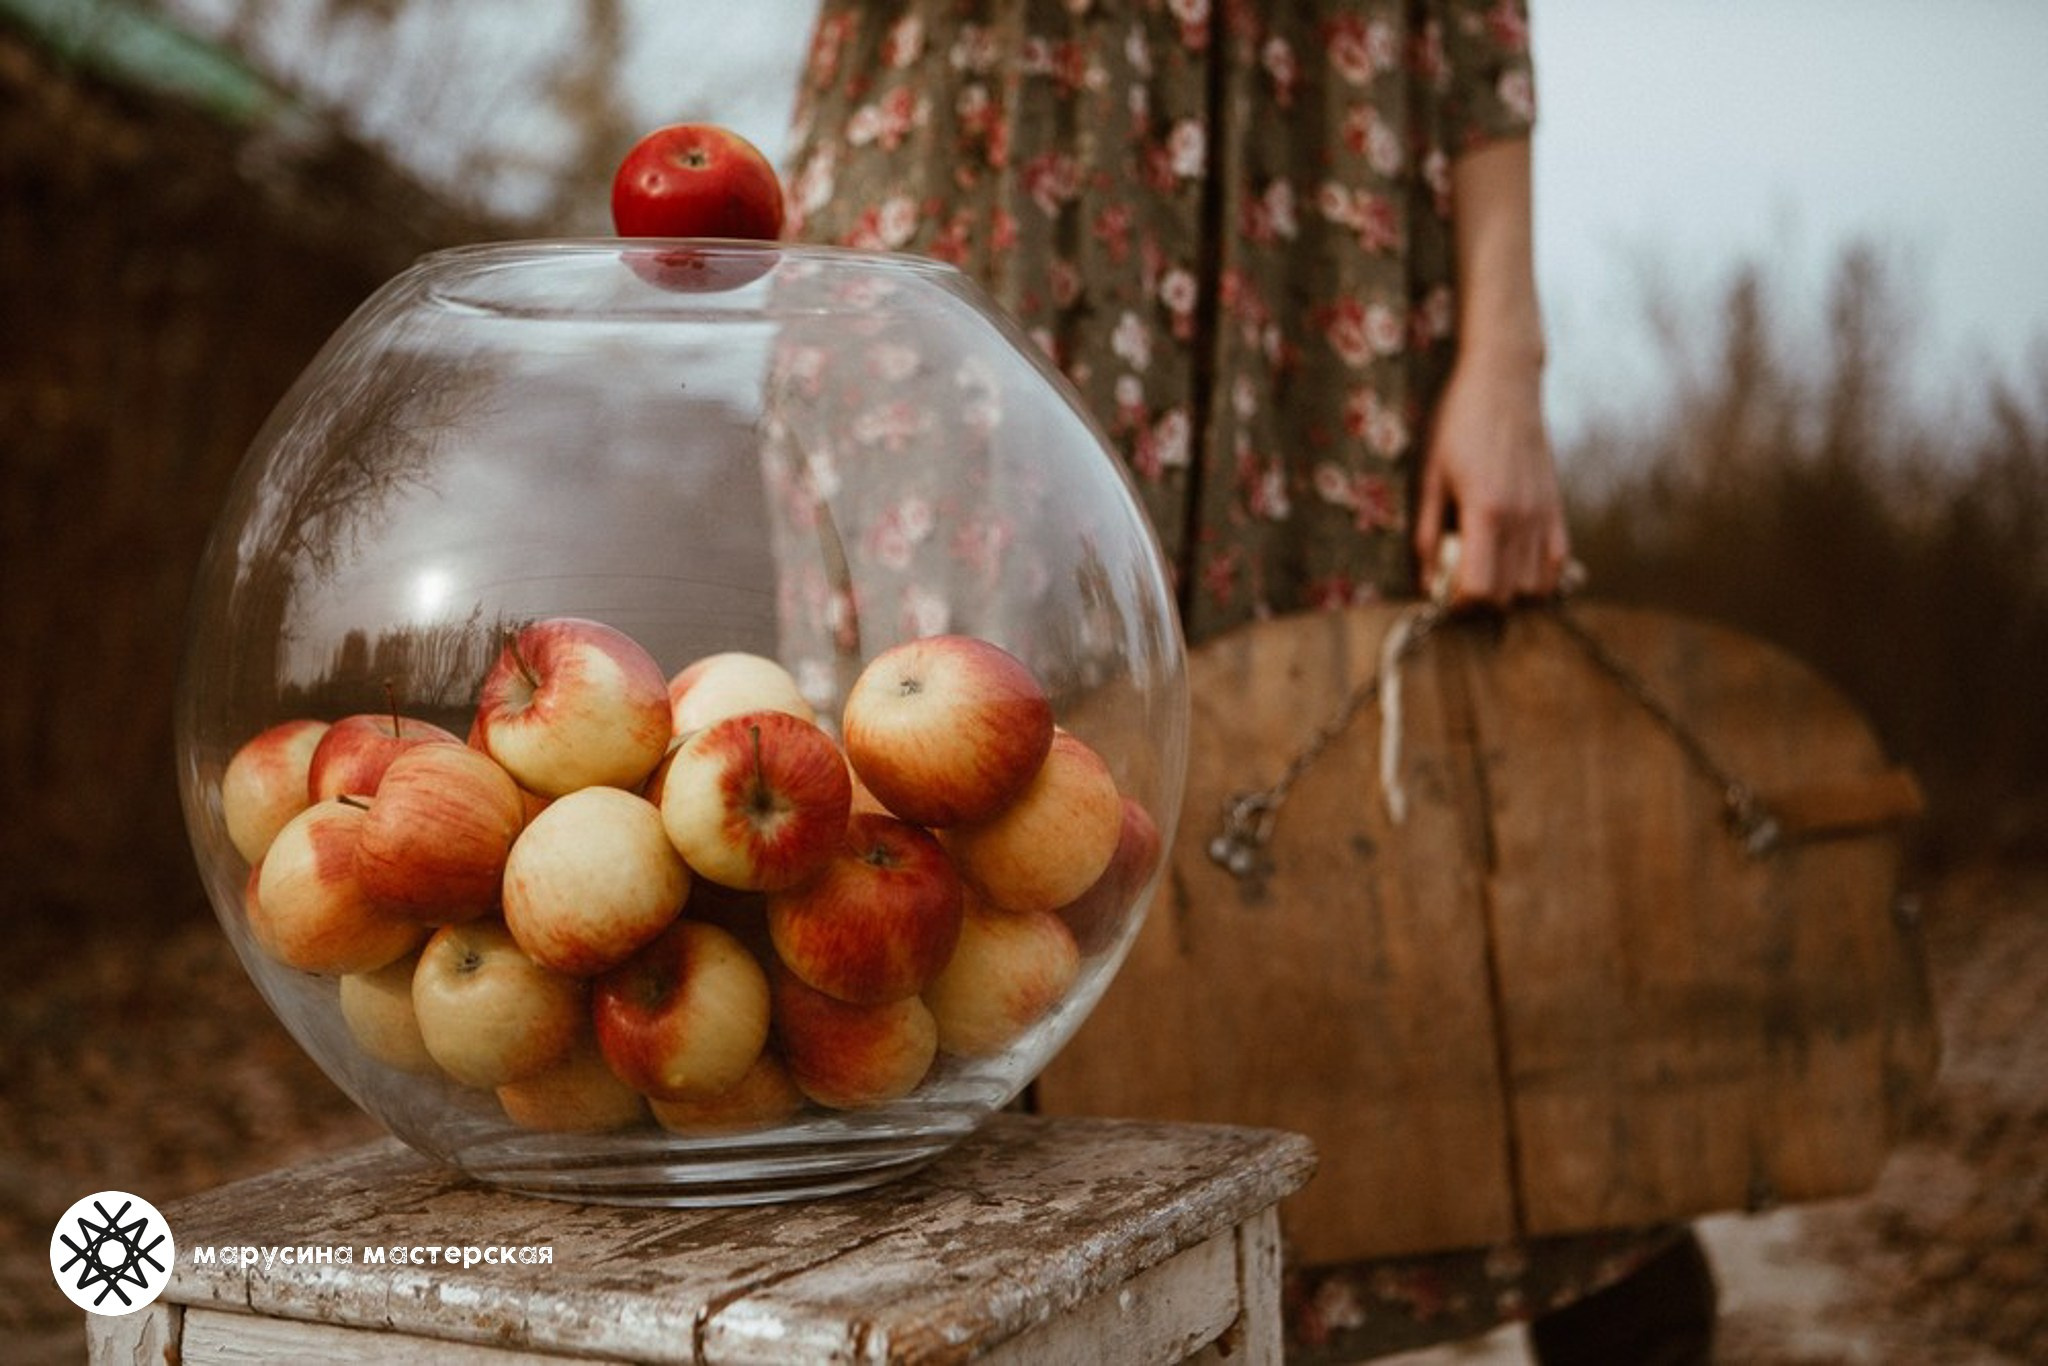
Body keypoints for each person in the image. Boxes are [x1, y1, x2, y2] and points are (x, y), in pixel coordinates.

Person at [782, 3, 1716, 1360]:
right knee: (956, 848)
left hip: (1318, 191)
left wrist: (1510, 354)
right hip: (981, 166)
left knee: (1366, 794)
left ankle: (1587, 1256)